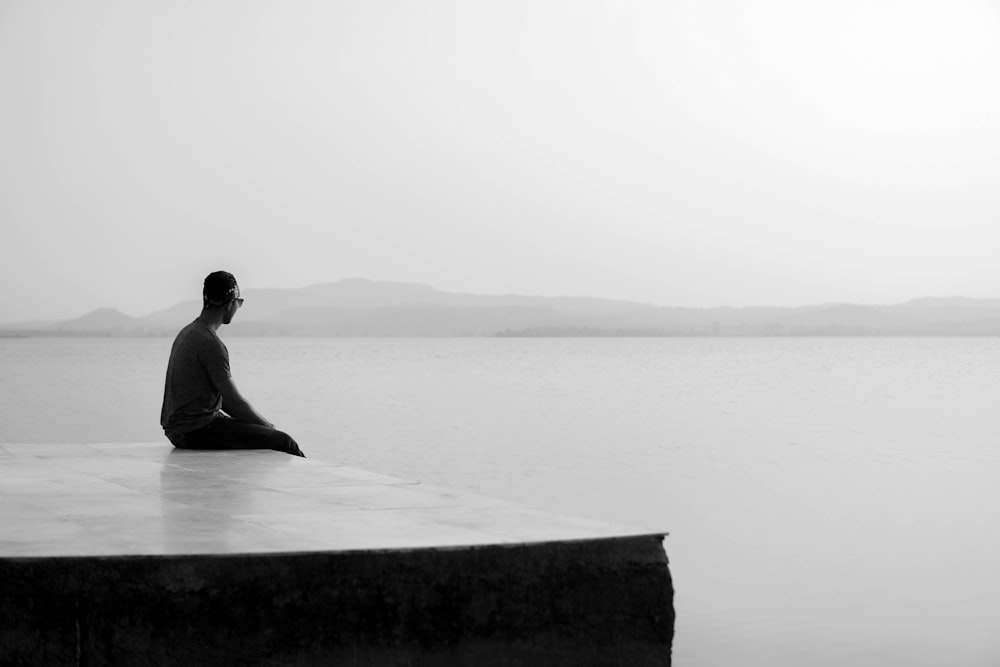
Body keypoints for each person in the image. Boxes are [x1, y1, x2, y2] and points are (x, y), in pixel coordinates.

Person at [160, 271, 305, 457]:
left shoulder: (188, 333)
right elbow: (236, 403)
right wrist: (270, 428)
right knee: (285, 442)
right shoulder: (210, 343)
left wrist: (261, 429)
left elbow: (225, 401)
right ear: (230, 304)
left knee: (266, 435)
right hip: (196, 431)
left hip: (179, 430)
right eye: (239, 302)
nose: (238, 307)